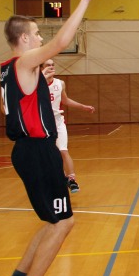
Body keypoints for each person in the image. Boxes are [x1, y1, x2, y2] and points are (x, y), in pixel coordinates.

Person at [0, 0, 98, 276]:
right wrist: (84, 1)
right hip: (37, 151)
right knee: (63, 223)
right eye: (37, 33)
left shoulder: (8, 68)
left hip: (30, 151)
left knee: (52, 221)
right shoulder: (24, 61)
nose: (41, 38)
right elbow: (60, 42)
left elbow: (9, 108)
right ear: (24, 38)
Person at [39, 59, 96, 193]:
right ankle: (51, 180)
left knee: (63, 150)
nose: (51, 67)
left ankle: (71, 180)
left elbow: (65, 100)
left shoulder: (60, 83)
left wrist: (83, 106)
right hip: (41, 122)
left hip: (58, 121)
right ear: (41, 68)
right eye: (48, 65)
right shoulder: (35, 84)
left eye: (53, 65)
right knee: (46, 154)